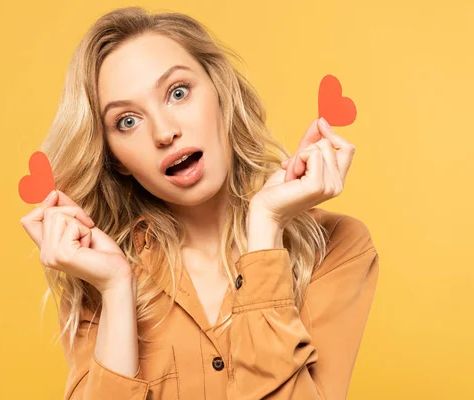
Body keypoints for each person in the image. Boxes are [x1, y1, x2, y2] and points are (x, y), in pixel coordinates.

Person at [20, 6, 379, 400]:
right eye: (127, 120)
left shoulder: (335, 248)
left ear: (221, 93)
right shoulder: (97, 278)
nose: (164, 132)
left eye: (177, 93)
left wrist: (266, 228)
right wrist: (116, 288)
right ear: (116, 160)